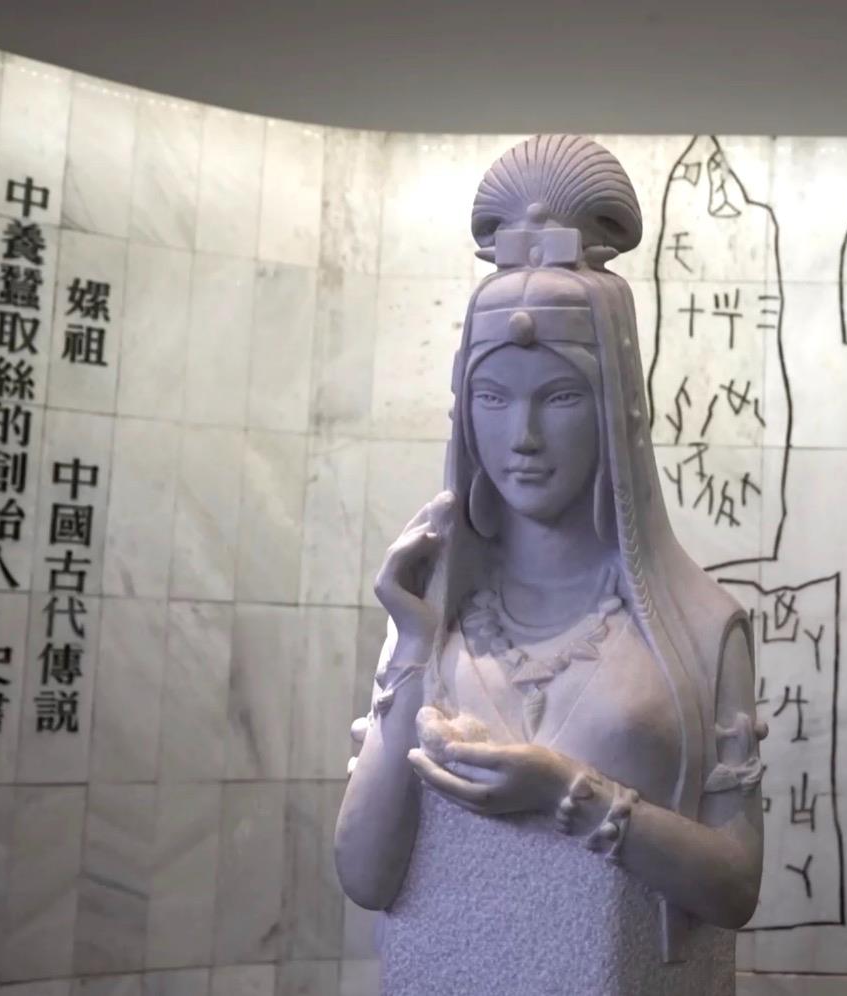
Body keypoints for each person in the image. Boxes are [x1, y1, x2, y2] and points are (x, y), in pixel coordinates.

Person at [334, 135, 764, 996]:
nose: (521, 437)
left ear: (615, 411)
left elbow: (734, 886)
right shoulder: (436, 617)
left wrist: (568, 792)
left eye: (560, 397)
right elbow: (366, 875)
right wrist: (411, 645)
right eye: (492, 398)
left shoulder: (697, 628)